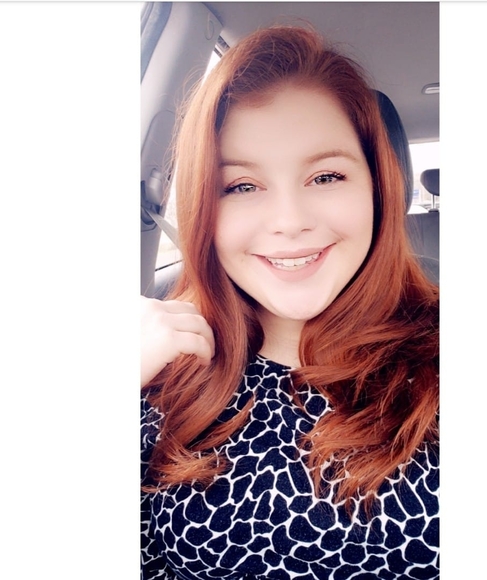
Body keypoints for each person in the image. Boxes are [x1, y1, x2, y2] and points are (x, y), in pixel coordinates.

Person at [141, 25, 439, 580]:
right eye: (241, 186)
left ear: (379, 187)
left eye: (325, 176)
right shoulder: (157, 365)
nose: (289, 221)